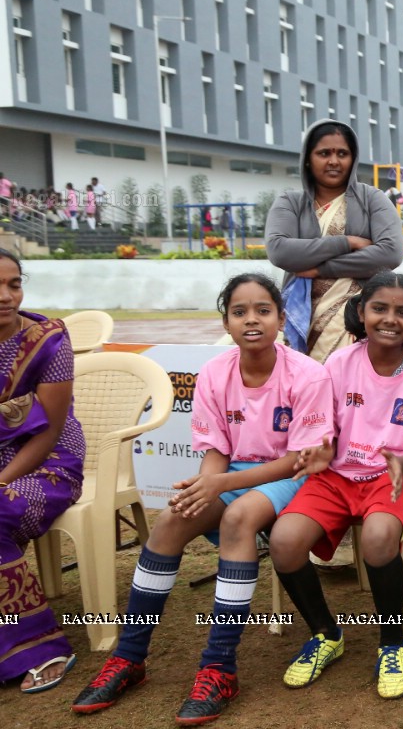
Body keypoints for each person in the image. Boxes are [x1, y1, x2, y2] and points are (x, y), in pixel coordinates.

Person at [72, 274, 333, 724]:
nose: (252, 320)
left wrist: (220, 487)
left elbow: (299, 460)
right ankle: (130, 658)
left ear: (281, 318)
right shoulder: (215, 372)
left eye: (263, 310)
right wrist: (202, 488)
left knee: (238, 519)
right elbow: (216, 451)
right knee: (173, 519)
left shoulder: (307, 373)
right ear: (227, 323)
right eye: (239, 312)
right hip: (232, 475)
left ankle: (219, 667)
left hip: (291, 475)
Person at [270, 272, 403, 698]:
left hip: (392, 477)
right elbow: (321, 427)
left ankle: (392, 642)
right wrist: (320, 448)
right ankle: (326, 633)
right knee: (284, 541)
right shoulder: (339, 363)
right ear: (360, 312)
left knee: (380, 538)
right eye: (379, 308)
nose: (390, 319)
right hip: (335, 478)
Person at [0, 250, 83, 694]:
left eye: (14, 283)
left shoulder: (48, 340)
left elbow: (48, 432)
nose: (7, 295)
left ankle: (36, 645)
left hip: (47, 463)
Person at [266, 119, 403, 363]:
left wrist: (320, 269)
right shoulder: (290, 202)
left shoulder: (372, 199)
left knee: (356, 392)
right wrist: (348, 242)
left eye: (342, 153)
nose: (334, 161)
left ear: (353, 158)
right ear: (308, 158)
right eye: (324, 153)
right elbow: (280, 251)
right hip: (304, 318)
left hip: (359, 321)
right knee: (310, 390)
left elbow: (390, 253)